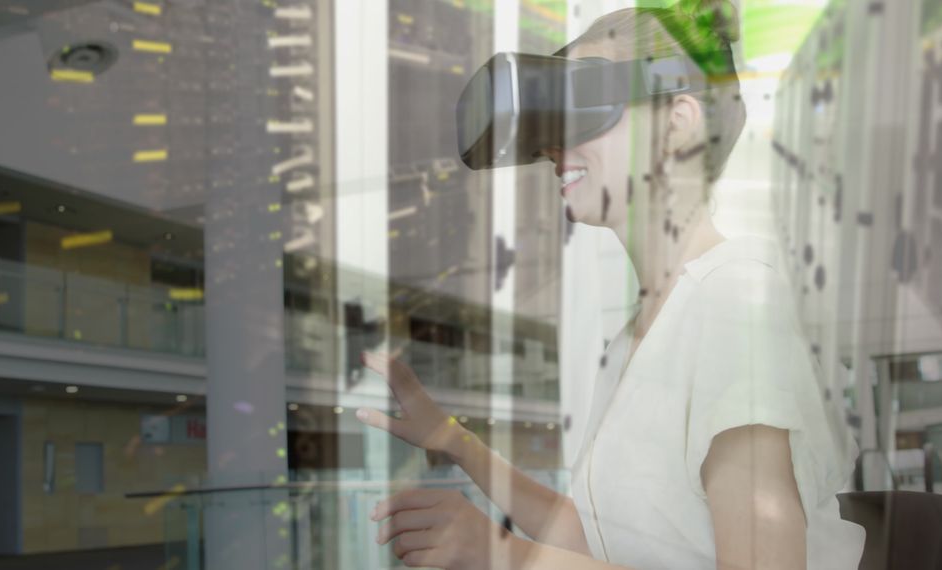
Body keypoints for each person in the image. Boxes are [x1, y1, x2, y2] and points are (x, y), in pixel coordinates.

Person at [355, 2, 866, 568]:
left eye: (583, 108)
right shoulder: (640, 336)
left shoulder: (733, 303)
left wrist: (506, 555)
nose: (553, 146)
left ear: (678, 121)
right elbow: (603, 543)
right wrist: (455, 442)